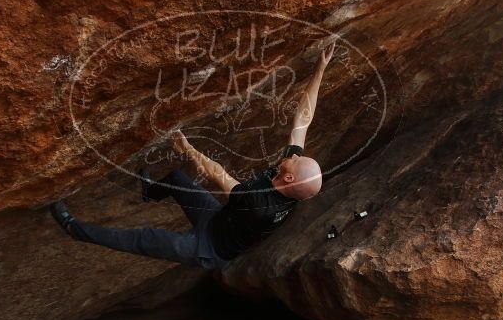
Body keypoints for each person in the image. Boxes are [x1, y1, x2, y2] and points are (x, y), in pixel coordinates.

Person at [50, 41, 335, 269]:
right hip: (218, 220)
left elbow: (216, 173)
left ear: (288, 177)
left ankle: (74, 228)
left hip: (208, 249)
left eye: (295, 159)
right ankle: (151, 191)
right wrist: (320, 69)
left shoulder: (258, 205)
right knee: (175, 179)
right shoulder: (291, 183)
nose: (293, 155)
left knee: (144, 239)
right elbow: (301, 122)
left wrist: (186, 149)